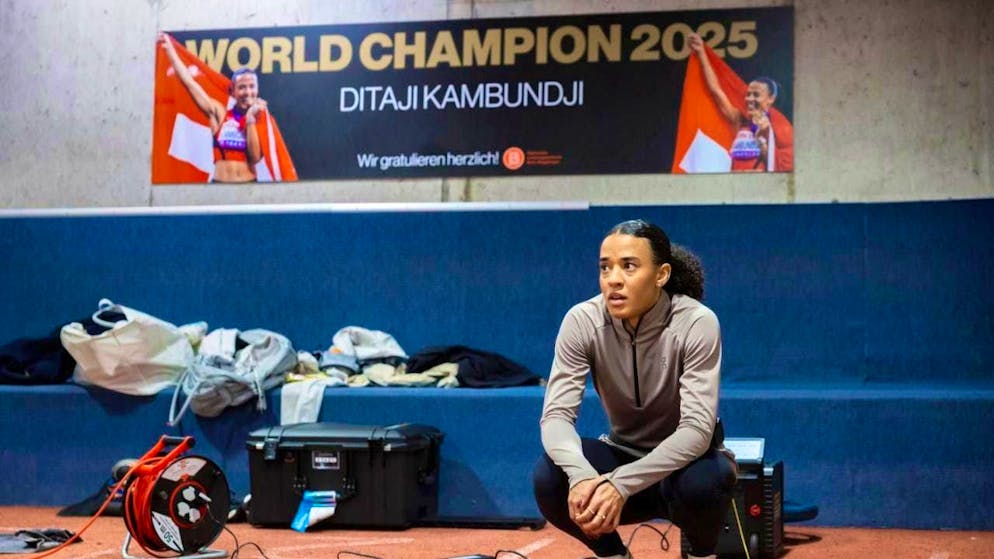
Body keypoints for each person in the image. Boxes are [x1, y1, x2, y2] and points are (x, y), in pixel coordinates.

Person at [533, 220, 736, 559]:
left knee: (705, 482)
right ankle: (614, 555)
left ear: (661, 275)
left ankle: (701, 554)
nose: (613, 279)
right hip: (623, 452)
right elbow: (555, 417)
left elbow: (697, 430)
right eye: (605, 267)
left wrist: (619, 484)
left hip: (684, 468)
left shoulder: (696, 321)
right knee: (550, 477)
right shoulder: (581, 321)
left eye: (629, 266)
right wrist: (582, 476)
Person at [158, 32, 269, 183]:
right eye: (242, 87)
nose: (247, 92)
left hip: (248, 187)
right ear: (233, 92)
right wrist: (170, 51)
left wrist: (250, 120)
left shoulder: (261, 116)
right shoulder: (220, 112)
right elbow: (190, 84)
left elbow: (255, 157)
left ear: (257, 89)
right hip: (219, 187)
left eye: (251, 87)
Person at [688, 33, 794, 172]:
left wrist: (764, 136)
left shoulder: (781, 129)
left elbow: (783, 165)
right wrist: (701, 52)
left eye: (756, 95)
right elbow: (716, 91)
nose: (749, 99)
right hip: (734, 188)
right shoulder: (739, 121)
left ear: (771, 99)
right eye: (748, 94)